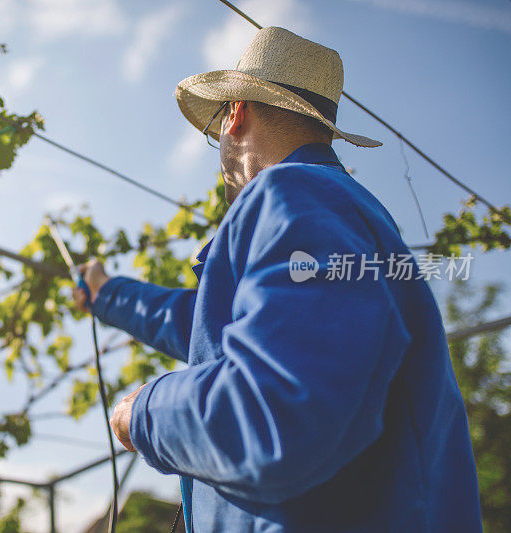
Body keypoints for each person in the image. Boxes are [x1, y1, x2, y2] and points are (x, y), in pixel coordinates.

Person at [72, 27, 482, 532]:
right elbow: (206, 329)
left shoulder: (295, 193)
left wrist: (145, 413)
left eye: (215, 128)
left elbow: (275, 412)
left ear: (235, 114)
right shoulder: (333, 208)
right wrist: (108, 293)